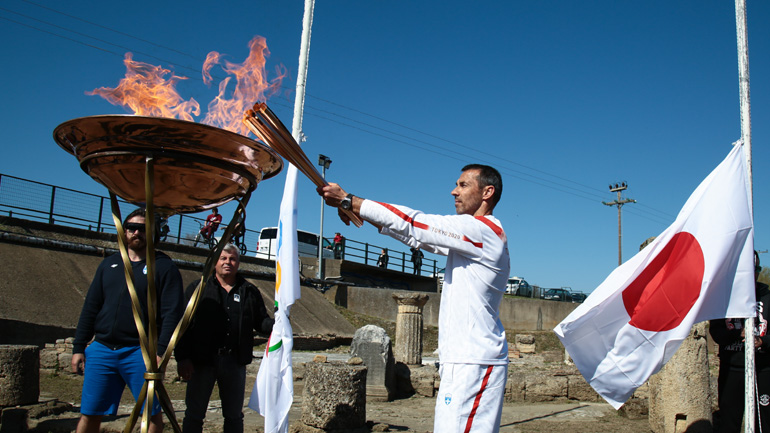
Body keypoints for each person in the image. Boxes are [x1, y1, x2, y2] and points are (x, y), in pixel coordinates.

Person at [318, 164, 509, 433]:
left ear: (487, 192)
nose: (454, 191)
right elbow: (413, 235)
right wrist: (357, 209)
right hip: (464, 362)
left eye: (463, 185)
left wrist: (351, 200)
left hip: (474, 363)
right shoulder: (470, 239)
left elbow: (415, 223)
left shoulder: (482, 231)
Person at [71, 208, 184, 433]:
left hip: (139, 352)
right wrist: (79, 346)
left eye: (142, 229)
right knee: (90, 412)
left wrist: (161, 350)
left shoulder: (164, 267)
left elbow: (172, 314)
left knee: (151, 413)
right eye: (130, 228)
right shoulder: (109, 264)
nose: (135, 233)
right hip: (102, 348)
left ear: (153, 233)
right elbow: (91, 307)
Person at [176, 243, 273, 433]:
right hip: (202, 362)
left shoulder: (249, 291)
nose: (228, 262)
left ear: (238, 263)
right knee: (194, 415)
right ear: (215, 262)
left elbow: (260, 322)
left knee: (234, 416)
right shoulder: (198, 288)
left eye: (232, 259)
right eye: (223, 258)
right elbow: (182, 326)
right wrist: (182, 358)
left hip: (234, 363)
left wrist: (278, 324)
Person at [710, 251, 770, 433]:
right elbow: (717, 332)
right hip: (732, 368)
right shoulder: (722, 297)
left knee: (764, 423)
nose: (753, 273)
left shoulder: (767, 296)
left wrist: (763, 341)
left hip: (763, 369)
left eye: (756, 269)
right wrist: (738, 333)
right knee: (729, 422)